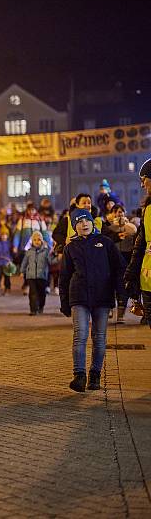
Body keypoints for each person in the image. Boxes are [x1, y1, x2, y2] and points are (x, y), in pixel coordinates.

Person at [60, 209, 125, 392]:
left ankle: (95, 374)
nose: (84, 224)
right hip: (79, 296)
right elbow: (64, 277)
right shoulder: (70, 247)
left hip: (102, 297)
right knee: (80, 336)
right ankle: (79, 375)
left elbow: (119, 268)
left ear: (93, 222)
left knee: (99, 338)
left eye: (87, 221)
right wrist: (64, 302)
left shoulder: (105, 243)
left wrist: (121, 295)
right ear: (75, 227)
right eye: (79, 222)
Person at [125, 158, 151, 328]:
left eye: (144, 180)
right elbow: (140, 245)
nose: (142, 185)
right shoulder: (147, 209)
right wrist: (131, 274)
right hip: (148, 283)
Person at [103, 204, 136, 323]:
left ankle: (121, 315)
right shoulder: (109, 227)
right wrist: (113, 225)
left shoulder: (130, 226)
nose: (119, 214)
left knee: (123, 287)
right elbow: (106, 236)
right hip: (112, 260)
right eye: (116, 212)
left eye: (121, 211)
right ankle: (111, 308)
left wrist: (125, 225)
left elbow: (134, 231)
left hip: (126, 259)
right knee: (110, 286)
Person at [20, 231, 57, 315]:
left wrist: (57, 257)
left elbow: (51, 261)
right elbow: (24, 262)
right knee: (33, 293)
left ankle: (40, 306)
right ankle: (33, 310)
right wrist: (22, 271)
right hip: (31, 276)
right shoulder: (29, 252)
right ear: (32, 241)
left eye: (39, 240)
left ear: (42, 241)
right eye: (35, 240)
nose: (37, 241)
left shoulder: (46, 251)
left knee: (41, 293)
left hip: (42, 276)